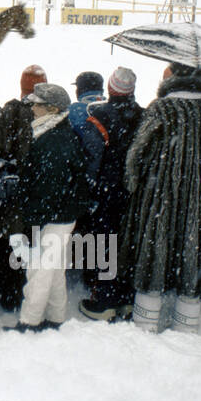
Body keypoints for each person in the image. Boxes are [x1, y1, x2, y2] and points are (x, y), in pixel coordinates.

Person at [121, 64, 201, 333]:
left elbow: (137, 152)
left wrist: (136, 181)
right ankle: (186, 325)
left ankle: (145, 321)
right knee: (194, 254)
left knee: (154, 254)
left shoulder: (161, 108)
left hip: (162, 195)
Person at [9, 83, 94, 331]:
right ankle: (56, 317)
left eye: (37, 104)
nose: (32, 107)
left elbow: (49, 186)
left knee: (40, 271)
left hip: (55, 214)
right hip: (62, 212)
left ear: (53, 109)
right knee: (54, 268)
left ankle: (29, 321)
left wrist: (33, 216)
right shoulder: (54, 133)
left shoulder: (53, 140)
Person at [79, 67, 144, 321]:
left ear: (110, 88)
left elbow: (91, 158)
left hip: (105, 190)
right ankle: (127, 299)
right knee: (128, 241)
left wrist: (89, 189)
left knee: (103, 244)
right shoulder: (143, 115)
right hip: (134, 190)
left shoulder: (98, 114)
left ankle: (103, 300)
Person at [0, 64, 47, 311]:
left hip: (12, 195)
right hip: (40, 194)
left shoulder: (9, 111)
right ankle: (35, 295)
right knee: (38, 245)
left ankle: (9, 295)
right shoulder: (51, 113)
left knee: (11, 243)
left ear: (22, 87)